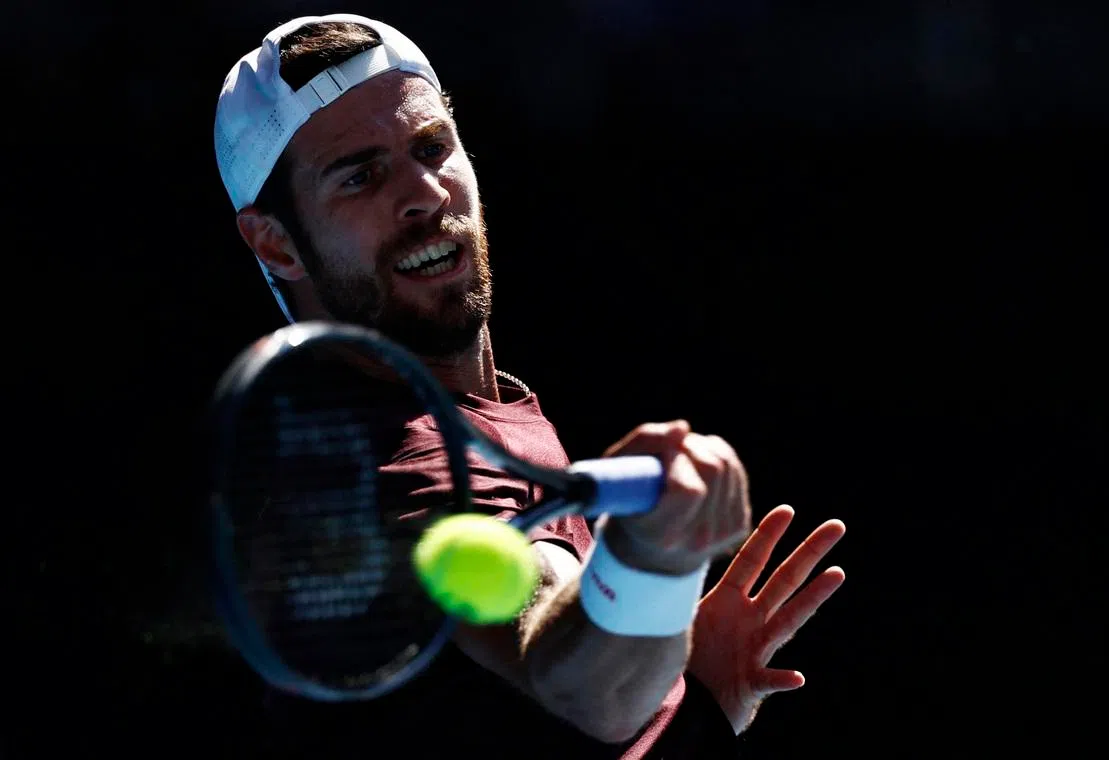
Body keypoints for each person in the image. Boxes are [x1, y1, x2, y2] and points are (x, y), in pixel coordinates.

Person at [213, 14, 847, 758]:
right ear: (275, 242)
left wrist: (688, 702)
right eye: (361, 175)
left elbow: (576, 714)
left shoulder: (484, 410)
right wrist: (653, 565)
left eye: (431, 148)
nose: (424, 192)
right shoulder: (391, 471)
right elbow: (588, 691)